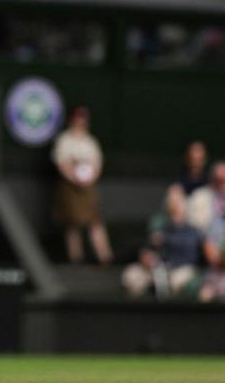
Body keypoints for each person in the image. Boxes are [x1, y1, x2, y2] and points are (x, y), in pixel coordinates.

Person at [51, 106, 114, 265]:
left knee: (95, 222)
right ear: (72, 121)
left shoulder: (90, 141)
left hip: (88, 187)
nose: (80, 122)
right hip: (71, 188)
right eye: (77, 119)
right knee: (72, 224)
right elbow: (62, 164)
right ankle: (76, 258)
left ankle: (104, 256)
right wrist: (74, 178)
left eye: (83, 119)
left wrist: (89, 179)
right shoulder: (64, 140)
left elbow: (97, 164)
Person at [121, 185, 203, 299]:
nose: (174, 210)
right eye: (171, 206)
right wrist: (145, 255)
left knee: (174, 281)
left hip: (181, 269)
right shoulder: (162, 225)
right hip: (158, 268)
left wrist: (165, 239)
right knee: (131, 276)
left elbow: (189, 247)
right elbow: (148, 245)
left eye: (177, 207)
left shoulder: (192, 229)